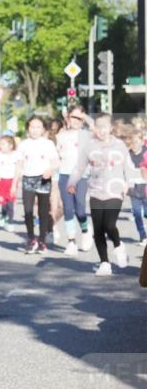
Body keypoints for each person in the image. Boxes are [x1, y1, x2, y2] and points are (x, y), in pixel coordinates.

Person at [70, 114, 137, 276]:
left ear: (110, 128)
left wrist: (130, 183)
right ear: (95, 128)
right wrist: (71, 182)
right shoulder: (89, 146)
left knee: (109, 225)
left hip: (115, 189)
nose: (101, 130)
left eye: (105, 126)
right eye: (98, 126)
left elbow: (128, 165)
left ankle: (118, 245)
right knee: (98, 229)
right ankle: (104, 263)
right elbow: (79, 167)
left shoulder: (119, 144)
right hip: (95, 190)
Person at [15, 117, 60, 255]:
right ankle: (30, 239)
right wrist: (14, 182)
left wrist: (50, 170)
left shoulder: (48, 144)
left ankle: (42, 241)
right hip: (28, 179)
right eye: (32, 127)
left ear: (43, 129)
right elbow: (19, 164)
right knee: (28, 211)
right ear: (28, 128)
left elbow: (56, 162)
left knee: (43, 211)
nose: (35, 130)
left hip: (43, 178)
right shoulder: (23, 144)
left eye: (38, 127)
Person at [56, 107, 93, 255]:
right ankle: (71, 241)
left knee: (80, 208)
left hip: (81, 175)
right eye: (73, 117)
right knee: (67, 208)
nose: (76, 121)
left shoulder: (86, 134)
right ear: (68, 118)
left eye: (79, 118)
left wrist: (83, 115)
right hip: (64, 175)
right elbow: (57, 155)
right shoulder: (61, 136)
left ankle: (85, 230)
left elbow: (97, 128)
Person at [122, 126, 147, 246]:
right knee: (137, 213)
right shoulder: (127, 155)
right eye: (132, 142)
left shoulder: (146, 152)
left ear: (142, 142)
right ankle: (143, 236)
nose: (135, 144)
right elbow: (124, 171)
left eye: (137, 142)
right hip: (133, 188)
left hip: (145, 186)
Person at [0, 136, 19, 230]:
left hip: (12, 181)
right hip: (1, 181)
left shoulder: (16, 155)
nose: (1, 146)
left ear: (11, 146)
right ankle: (3, 215)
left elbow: (19, 168)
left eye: (3, 144)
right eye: (1, 144)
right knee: (4, 203)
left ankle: (10, 222)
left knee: (10, 203)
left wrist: (17, 180)